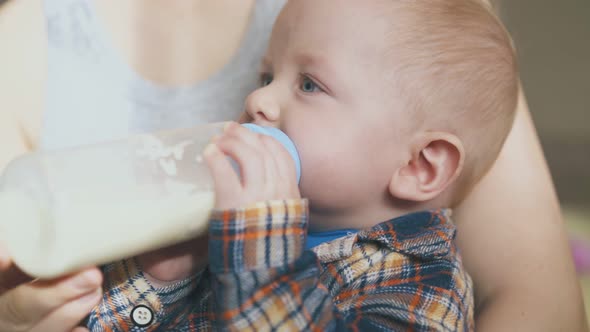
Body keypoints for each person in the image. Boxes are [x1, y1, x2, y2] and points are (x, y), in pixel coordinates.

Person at [0, 0, 585, 331]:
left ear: (420, 166)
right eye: (265, 75)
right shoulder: (234, 234)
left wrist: (256, 245)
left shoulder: (419, 286)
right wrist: (160, 280)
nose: (260, 101)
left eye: (308, 84)